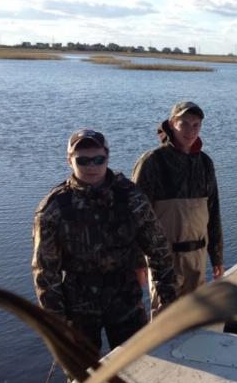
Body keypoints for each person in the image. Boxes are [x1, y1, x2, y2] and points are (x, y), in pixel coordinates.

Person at [32, 129, 178, 353]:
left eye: (98, 159)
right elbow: (45, 272)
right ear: (69, 160)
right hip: (77, 309)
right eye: (83, 160)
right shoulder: (55, 208)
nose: (91, 166)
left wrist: (167, 299)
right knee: (81, 371)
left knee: (139, 363)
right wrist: (56, 323)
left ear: (107, 157)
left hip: (126, 303)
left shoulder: (130, 197)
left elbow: (158, 249)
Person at [132, 101, 224, 315]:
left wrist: (217, 256)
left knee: (195, 318)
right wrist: (137, 261)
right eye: (184, 124)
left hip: (197, 257)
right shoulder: (152, 162)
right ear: (172, 124)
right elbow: (134, 218)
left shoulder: (205, 163)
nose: (190, 131)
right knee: (165, 320)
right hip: (164, 259)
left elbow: (213, 212)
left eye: (196, 125)